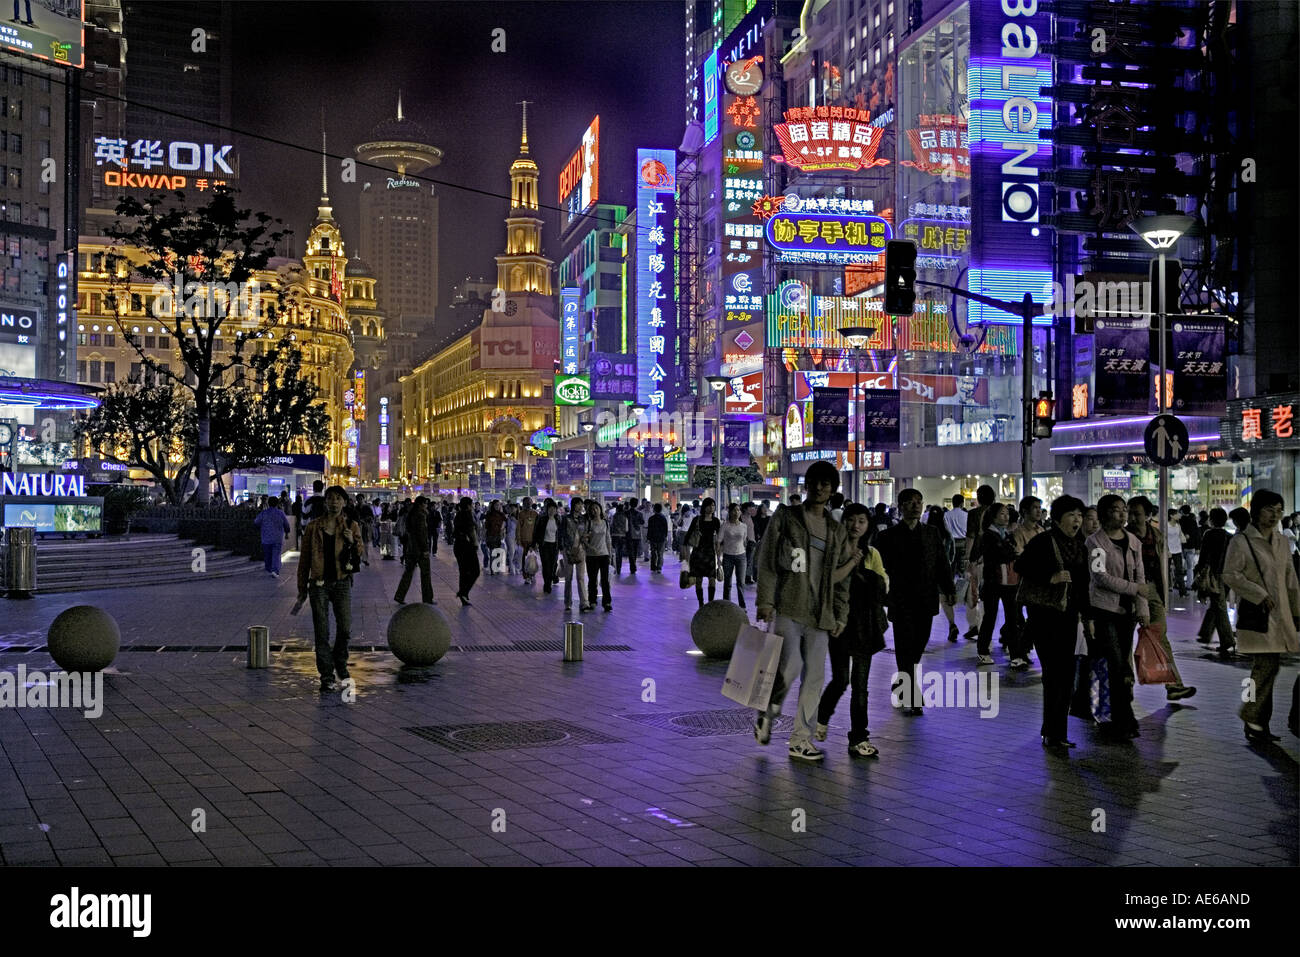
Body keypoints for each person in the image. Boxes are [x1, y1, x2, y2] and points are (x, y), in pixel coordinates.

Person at [754, 461, 852, 762]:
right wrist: (765, 601)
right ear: (806, 485)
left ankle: (801, 739)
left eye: (826, 484)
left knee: (815, 677)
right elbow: (768, 560)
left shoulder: (836, 530)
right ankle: (769, 709)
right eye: (815, 482)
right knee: (792, 666)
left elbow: (841, 578)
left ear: (833, 489)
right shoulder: (786, 518)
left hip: (820, 614)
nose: (820, 488)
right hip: (788, 605)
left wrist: (840, 614)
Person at [1221, 489, 1300, 744]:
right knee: (1264, 667)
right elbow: (1230, 575)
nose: (1275, 515)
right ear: (1256, 512)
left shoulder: (1281, 542)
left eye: (1279, 510)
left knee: (1267, 668)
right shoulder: (1241, 541)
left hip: (1281, 616)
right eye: (1269, 509)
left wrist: (1297, 612)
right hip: (1258, 616)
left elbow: (1291, 581)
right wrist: (1258, 594)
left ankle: (1256, 720)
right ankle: (1250, 712)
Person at [1015, 496, 1090, 751]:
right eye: (1071, 515)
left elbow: (1083, 582)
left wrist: (1087, 616)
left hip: (1068, 616)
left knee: (1066, 674)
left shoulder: (1080, 544)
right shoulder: (1043, 541)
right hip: (1044, 616)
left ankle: (1057, 731)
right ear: (1057, 518)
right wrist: (1051, 576)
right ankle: (1052, 731)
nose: (1077, 520)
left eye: (1079, 515)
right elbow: (1020, 565)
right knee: (1054, 674)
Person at [815, 503, 888, 758]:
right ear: (842, 521)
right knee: (840, 679)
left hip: (864, 625)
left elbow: (883, 586)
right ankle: (821, 718)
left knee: (860, 685)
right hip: (839, 623)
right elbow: (827, 582)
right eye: (851, 520)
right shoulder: (833, 550)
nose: (855, 525)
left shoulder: (872, 554)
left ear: (868, 526)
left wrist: (866, 572)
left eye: (861, 521)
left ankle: (858, 738)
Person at [876, 489, 956, 715]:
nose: (915, 506)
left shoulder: (931, 533)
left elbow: (942, 563)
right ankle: (911, 693)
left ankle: (903, 682)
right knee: (903, 646)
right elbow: (878, 568)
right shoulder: (887, 537)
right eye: (910, 502)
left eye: (919, 502)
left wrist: (949, 588)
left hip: (926, 598)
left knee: (919, 643)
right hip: (901, 599)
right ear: (900, 507)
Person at [1086, 494, 1149, 740]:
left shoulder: (1133, 541)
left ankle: (1116, 716)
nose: (1122, 514)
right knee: (1115, 664)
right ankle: (1121, 717)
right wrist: (1134, 590)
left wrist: (1142, 607)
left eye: (1124, 510)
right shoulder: (1095, 542)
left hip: (1127, 612)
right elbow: (1100, 577)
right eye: (1116, 510)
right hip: (1104, 609)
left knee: (1120, 663)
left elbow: (1140, 576)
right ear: (1103, 515)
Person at [1126, 496, 1196, 700]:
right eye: (1129, 512)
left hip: (1152, 589)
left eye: (1136, 513)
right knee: (1124, 641)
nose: (1131, 517)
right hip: (1128, 591)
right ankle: (1126, 686)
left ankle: (1174, 684)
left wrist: (1163, 594)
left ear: (1147, 515)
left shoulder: (1155, 535)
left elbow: (1161, 566)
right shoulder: (1123, 536)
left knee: (1160, 635)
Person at [297, 486, 363, 692]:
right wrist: (302, 588)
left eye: (338, 498)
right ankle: (326, 674)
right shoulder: (313, 527)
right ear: (325, 502)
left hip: (342, 582)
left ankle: (340, 663)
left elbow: (361, 551)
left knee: (344, 628)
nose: (334, 502)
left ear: (344, 502)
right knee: (322, 631)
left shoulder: (351, 525)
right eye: (330, 498)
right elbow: (304, 559)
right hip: (318, 584)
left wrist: (352, 541)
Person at [974, 503, 1019, 667]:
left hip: (1010, 582)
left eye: (1007, 514)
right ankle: (983, 651)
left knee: (1012, 618)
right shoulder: (988, 535)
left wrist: (1009, 551)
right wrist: (1010, 552)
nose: (1006, 517)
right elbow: (1002, 555)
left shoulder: (1006, 534)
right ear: (993, 517)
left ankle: (1016, 654)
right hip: (993, 582)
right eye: (1002, 514)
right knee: (990, 617)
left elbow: (1011, 553)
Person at [1195, 507, 1235, 658]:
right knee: (1216, 603)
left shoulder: (1209, 534)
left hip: (1213, 574)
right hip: (1226, 574)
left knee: (1219, 606)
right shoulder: (1228, 536)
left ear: (1211, 520)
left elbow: (1204, 555)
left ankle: (1227, 640)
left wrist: (1199, 571)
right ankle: (1205, 634)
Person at [1008, 495, 1044, 667]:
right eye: (1035, 507)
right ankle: (1021, 650)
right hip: (1024, 582)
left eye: (1039, 507)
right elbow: (1020, 556)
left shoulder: (1041, 531)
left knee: (1034, 618)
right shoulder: (1019, 532)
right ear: (1024, 511)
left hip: (1041, 582)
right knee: (1027, 618)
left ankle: (1023, 649)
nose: (1039, 511)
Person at [962, 484, 997, 639]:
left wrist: (967, 557)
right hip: (994, 557)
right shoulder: (997, 512)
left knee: (973, 591)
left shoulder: (974, 513)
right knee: (989, 593)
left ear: (978, 497)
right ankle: (986, 627)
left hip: (977, 555)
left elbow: (970, 536)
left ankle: (975, 625)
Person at [927, 507, 960, 642]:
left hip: (928, 573)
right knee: (946, 599)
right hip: (944, 571)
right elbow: (952, 555)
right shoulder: (947, 535)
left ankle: (924, 632)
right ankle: (952, 624)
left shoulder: (926, 533)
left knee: (927, 600)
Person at [394, 497, 434, 604]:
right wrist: (425, 549)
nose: (426, 506)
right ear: (421, 504)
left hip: (411, 548)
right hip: (420, 550)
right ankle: (427, 598)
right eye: (425, 504)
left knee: (408, 573)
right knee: (425, 574)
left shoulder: (411, 514)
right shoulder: (420, 516)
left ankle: (399, 595)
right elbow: (422, 534)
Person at [684, 498, 722, 609]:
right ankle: (701, 604)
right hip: (698, 552)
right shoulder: (697, 519)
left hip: (710, 552)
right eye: (709, 505)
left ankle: (710, 603)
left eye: (713, 506)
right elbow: (687, 537)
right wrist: (686, 556)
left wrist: (719, 556)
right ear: (704, 506)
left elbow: (719, 539)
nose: (712, 508)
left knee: (712, 578)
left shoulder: (716, 521)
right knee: (699, 579)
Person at [583, 499, 613, 612]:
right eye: (592, 509)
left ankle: (607, 602)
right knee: (592, 580)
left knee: (605, 580)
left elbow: (608, 539)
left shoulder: (605, 523)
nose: (595, 510)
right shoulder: (589, 523)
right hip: (591, 555)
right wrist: (590, 548)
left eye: (597, 508)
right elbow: (584, 538)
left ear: (600, 510)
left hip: (604, 554)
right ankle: (592, 601)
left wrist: (610, 554)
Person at [720, 502, 749, 609]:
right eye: (734, 510)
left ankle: (742, 606)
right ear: (730, 512)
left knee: (741, 583)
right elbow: (718, 541)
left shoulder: (744, 526)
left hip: (741, 556)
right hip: (728, 556)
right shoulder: (725, 525)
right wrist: (719, 558)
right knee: (727, 583)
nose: (736, 512)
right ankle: (726, 605)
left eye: (738, 510)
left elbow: (744, 541)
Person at [562, 499, 589, 612]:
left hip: (581, 550)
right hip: (568, 550)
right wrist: (563, 548)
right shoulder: (566, 518)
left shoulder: (584, 519)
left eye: (581, 504)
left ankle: (584, 602)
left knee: (580, 577)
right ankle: (568, 602)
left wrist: (585, 540)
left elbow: (587, 532)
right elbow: (562, 533)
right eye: (578, 504)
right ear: (573, 505)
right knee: (568, 577)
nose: (580, 506)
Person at [253, 496, 291, 577]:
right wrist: (287, 533)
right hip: (277, 538)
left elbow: (256, 522)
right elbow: (286, 525)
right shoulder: (281, 513)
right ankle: (275, 570)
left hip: (266, 538)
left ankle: (270, 568)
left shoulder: (263, 513)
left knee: (268, 555)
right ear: (277, 504)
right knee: (276, 554)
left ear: (268, 503)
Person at [452, 497, 480, 606]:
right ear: (468, 505)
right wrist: (475, 543)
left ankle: (463, 594)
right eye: (471, 504)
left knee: (463, 571)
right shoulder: (467, 515)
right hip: (466, 545)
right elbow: (471, 531)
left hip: (458, 545)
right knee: (475, 570)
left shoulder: (458, 515)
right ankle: (463, 592)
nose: (472, 506)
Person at [534, 499, 563, 593]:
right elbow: (536, 532)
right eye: (550, 508)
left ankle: (550, 579)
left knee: (553, 565)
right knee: (546, 565)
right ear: (547, 509)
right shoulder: (542, 519)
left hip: (554, 545)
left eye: (554, 509)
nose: (552, 510)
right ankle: (547, 584)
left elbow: (560, 534)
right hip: (544, 545)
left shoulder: (558, 519)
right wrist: (534, 543)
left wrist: (561, 547)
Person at [1178, 504, 1201, 595]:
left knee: (1180, 567)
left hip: (1180, 547)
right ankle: (1189, 584)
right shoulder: (1193, 521)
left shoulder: (1178, 521)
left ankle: (1179, 584)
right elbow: (1196, 535)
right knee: (1190, 567)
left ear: (1182, 512)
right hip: (1191, 546)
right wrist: (1197, 547)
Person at [1166, 509, 1188, 599]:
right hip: (1169, 551)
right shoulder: (1166, 526)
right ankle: (1166, 589)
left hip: (1178, 551)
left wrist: (1184, 538)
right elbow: (1164, 539)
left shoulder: (1178, 526)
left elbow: (1180, 536)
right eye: (1177, 514)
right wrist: (1167, 550)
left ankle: (1182, 591)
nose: (1179, 515)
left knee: (1179, 571)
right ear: (1171, 516)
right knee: (1166, 571)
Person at [517, 498, 538, 585]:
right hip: (524, 540)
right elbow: (518, 527)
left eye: (529, 502)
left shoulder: (535, 514)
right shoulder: (521, 514)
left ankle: (532, 574)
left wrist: (537, 541)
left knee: (533, 559)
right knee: (524, 559)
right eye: (526, 503)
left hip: (533, 540)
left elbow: (537, 528)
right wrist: (518, 539)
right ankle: (526, 577)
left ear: (532, 503)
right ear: (523, 503)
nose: (528, 504)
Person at [484, 500, 506, 575]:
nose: (497, 506)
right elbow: (486, 526)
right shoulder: (489, 514)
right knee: (492, 552)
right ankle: (493, 569)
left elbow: (505, 523)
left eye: (499, 505)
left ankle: (497, 568)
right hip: (491, 535)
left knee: (498, 552)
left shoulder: (502, 514)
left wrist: (502, 530)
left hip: (499, 535)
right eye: (496, 505)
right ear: (493, 506)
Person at [647, 503, 669, 573]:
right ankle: (659, 567)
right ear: (661, 509)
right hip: (661, 538)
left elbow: (649, 529)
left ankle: (653, 567)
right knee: (660, 553)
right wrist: (665, 537)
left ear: (654, 509)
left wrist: (648, 537)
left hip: (653, 538)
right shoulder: (663, 518)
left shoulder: (651, 518)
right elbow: (666, 529)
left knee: (653, 553)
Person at [624, 498, 643, 574]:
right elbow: (642, 522)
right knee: (635, 551)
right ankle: (633, 564)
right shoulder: (639, 513)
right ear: (636, 504)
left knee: (630, 551)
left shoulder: (626, 513)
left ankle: (632, 566)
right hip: (637, 534)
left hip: (628, 534)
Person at [610, 503, 629, 575]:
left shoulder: (614, 516)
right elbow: (626, 529)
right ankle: (619, 568)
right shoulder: (625, 517)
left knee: (615, 553)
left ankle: (615, 567)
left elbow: (611, 525)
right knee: (620, 553)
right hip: (622, 536)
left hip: (614, 536)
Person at [742, 503, 758, 584]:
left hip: (752, 541)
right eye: (750, 508)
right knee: (746, 561)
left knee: (750, 561)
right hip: (745, 542)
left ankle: (747, 577)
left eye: (753, 508)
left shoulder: (751, 518)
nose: (752, 509)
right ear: (745, 509)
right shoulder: (741, 518)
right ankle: (745, 577)